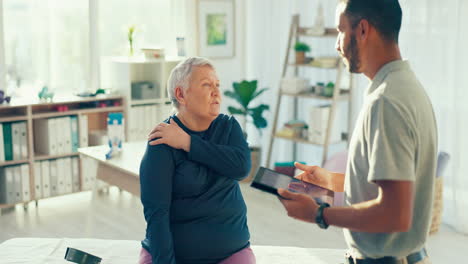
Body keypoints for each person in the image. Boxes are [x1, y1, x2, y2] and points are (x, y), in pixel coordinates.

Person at [278, 1, 437, 264]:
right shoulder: (406, 87)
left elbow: (395, 213)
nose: (337, 44)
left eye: (341, 30)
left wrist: (319, 214)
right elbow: (396, 181)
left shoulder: (386, 102)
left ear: (362, 30)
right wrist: (332, 181)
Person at [139, 57, 256, 264]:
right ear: (181, 94)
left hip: (231, 252)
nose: (216, 92)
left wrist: (188, 143)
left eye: (217, 85)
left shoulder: (229, 127)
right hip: (175, 255)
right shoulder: (162, 140)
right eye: (206, 85)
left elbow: (241, 168)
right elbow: (157, 214)